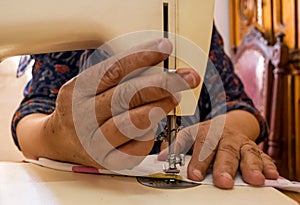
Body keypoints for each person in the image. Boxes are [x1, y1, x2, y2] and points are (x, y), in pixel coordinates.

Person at [11, 24, 279, 189]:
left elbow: (239, 105)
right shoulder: (69, 22)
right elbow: (30, 116)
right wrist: (57, 134)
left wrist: (225, 129)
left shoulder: (191, 22)